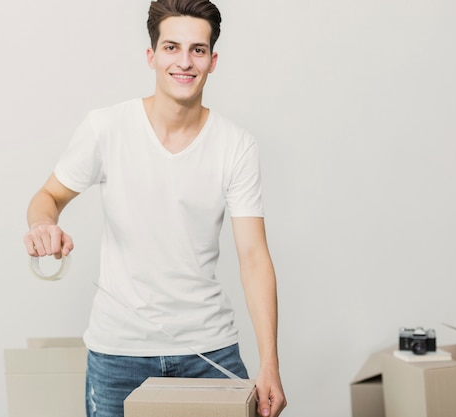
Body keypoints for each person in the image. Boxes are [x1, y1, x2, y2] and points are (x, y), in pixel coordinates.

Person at [23, 0, 287, 416]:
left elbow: (254, 257)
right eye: (171, 47)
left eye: (197, 50)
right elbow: (48, 197)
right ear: (151, 55)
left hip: (209, 350)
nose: (184, 61)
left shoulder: (236, 145)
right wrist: (43, 225)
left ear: (213, 61)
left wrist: (270, 363)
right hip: (118, 354)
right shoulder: (106, 128)